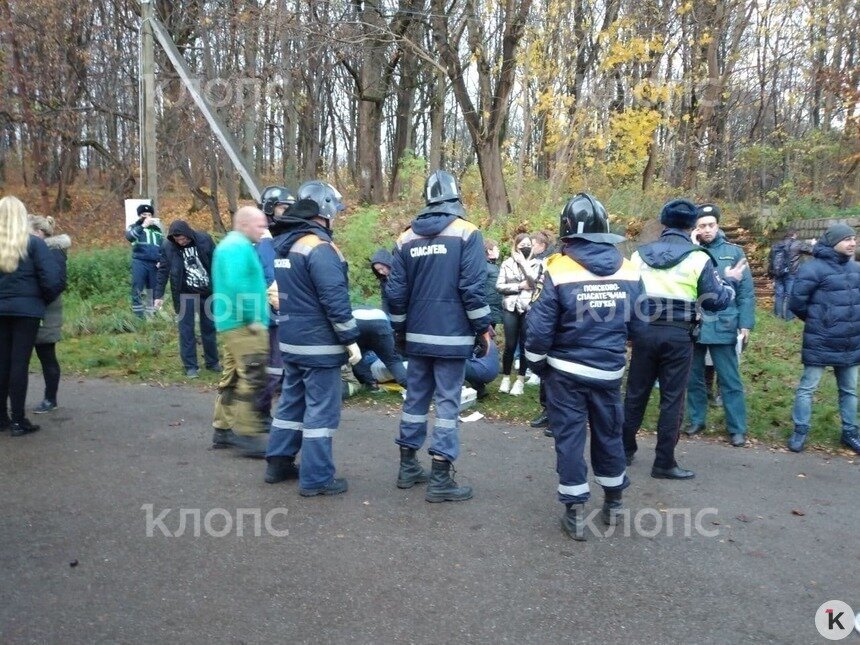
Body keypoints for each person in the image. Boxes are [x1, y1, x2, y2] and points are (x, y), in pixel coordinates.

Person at [526, 193, 645, 540]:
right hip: (609, 371)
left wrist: (537, 364)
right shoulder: (629, 269)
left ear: (566, 233)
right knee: (609, 434)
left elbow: (539, 329)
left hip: (565, 372)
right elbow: (640, 326)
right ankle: (614, 502)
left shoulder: (557, 269)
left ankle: (575, 512)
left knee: (570, 437)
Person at [622, 199, 746, 480]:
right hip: (679, 336)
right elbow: (716, 302)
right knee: (672, 399)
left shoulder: (639, 255)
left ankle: (623, 450)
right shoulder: (699, 257)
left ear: (664, 223)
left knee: (635, 393)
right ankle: (664, 462)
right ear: (692, 225)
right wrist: (732, 282)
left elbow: (628, 297)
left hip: (644, 332)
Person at [386, 169, 490, 502]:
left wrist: (400, 331)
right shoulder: (467, 233)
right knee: (447, 403)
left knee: (415, 400)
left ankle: (407, 467)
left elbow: (396, 293)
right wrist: (481, 329)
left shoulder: (405, 239)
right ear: (456, 198)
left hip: (417, 336)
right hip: (453, 335)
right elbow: (473, 288)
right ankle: (440, 477)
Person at [265, 182, 361, 495]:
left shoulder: (284, 244)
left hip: (291, 341)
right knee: (321, 410)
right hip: (319, 344)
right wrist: (350, 337)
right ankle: (317, 478)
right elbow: (334, 298)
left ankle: (278, 463)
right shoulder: (320, 247)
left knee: (291, 403)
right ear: (326, 209)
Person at [684, 204, 756, 447]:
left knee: (729, 379)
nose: (706, 230)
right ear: (695, 228)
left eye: (711, 225)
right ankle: (696, 420)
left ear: (718, 225)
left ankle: (737, 428)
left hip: (724, 323)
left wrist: (745, 323)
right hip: (695, 323)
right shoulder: (689, 251)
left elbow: (746, 292)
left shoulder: (733, 253)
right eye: (701, 226)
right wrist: (692, 247)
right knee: (693, 378)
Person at [786, 223, 860, 454]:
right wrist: (821, 321)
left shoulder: (856, 269)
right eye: (847, 239)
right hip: (820, 339)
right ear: (833, 242)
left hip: (851, 341)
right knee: (807, 388)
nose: (853, 243)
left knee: (849, 390)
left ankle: (850, 432)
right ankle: (800, 430)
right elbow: (797, 303)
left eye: (854, 238)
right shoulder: (812, 269)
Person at [210, 206, 271, 457]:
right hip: (243, 324)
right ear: (244, 224)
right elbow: (237, 285)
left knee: (233, 376)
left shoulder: (230, 244)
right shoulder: (237, 247)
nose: (264, 230)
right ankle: (248, 434)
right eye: (260, 225)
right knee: (253, 375)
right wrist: (253, 317)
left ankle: (222, 429)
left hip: (229, 323)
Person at [0, 196, 64, 436]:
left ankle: (1, 418)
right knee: (19, 364)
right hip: (26, 312)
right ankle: (18, 420)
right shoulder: (34, 245)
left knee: (2, 363)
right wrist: (39, 301)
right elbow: (53, 280)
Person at [153, 220, 220, 378]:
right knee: (186, 330)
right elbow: (163, 271)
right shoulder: (168, 246)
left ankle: (212, 362)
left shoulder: (204, 240)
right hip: (184, 293)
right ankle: (190, 366)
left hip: (206, 292)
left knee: (209, 328)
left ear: (189, 234)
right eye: (178, 240)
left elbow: (217, 262)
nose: (181, 242)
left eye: (183, 239)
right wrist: (158, 295)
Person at [29, 215, 71, 414]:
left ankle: (50, 399)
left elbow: (56, 283)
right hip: (33, 308)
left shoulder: (54, 252)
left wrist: (34, 297)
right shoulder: (35, 249)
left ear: (38, 232)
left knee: (47, 356)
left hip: (46, 310)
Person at [496, 233, 538, 396]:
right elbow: (499, 286)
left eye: (528, 244)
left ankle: (520, 380)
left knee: (525, 345)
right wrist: (519, 286)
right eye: (522, 244)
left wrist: (523, 263)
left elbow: (535, 284)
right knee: (510, 345)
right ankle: (506, 378)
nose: (525, 247)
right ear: (516, 246)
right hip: (511, 307)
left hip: (528, 308)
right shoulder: (506, 263)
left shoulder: (538, 264)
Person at [351, 307, 408, 390]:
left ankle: (371, 384)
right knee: (393, 361)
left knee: (356, 358)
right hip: (380, 321)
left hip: (356, 322)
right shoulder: (382, 313)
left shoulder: (354, 311)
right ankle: (411, 387)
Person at [125, 203, 164, 318]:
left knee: (153, 290)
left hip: (154, 264)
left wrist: (161, 260)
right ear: (139, 215)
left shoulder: (157, 230)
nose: (147, 216)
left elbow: (162, 247)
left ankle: (151, 315)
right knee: (137, 288)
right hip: (139, 262)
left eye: (149, 214)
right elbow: (130, 237)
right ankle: (138, 317)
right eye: (144, 214)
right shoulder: (134, 227)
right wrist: (143, 226)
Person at [768, 228, 811, 320]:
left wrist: (771, 273)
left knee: (779, 294)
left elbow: (771, 259)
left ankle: (777, 315)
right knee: (789, 294)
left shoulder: (777, 244)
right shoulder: (797, 244)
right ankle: (788, 316)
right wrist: (813, 243)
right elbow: (810, 251)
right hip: (791, 273)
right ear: (794, 235)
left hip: (778, 272)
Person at [465, 326, 500, 399]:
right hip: (493, 371)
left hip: (482, 369)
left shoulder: (466, 331)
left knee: (452, 360)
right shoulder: (484, 330)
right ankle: (479, 388)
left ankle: (451, 390)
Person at [483, 239, 503, 329]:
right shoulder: (485, 266)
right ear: (489, 251)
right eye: (496, 249)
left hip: (493, 308)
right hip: (488, 309)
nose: (498, 250)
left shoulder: (493, 266)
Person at [369, 247, 394, 313]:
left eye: (382, 268)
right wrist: (385, 314)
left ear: (387, 264)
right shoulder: (383, 280)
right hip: (392, 312)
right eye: (378, 270)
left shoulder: (400, 276)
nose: (380, 272)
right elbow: (384, 298)